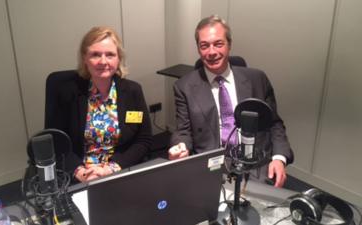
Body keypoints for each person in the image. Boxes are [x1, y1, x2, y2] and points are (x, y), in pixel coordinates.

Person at [168, 15, 293, 187]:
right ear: (198, 49)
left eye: (218, 44)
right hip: (212, 166)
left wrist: (279, 158)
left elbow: (274, 124)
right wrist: (180, 147)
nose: (211, 52)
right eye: (204, 46)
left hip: (256, 163)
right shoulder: (184, 86)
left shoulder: (258, 79)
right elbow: (183, 130)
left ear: (229, 44)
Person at [45, 26, 152, 183]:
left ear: (118, 58)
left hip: (119, 170)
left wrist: (110, 169)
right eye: (95, 55)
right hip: (81, 174)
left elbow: (143, 140)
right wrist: (80, 172)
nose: (103, 61)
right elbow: (55, 142)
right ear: (84, 59)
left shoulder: (132, 91)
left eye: (110, 55)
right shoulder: (67, 92)